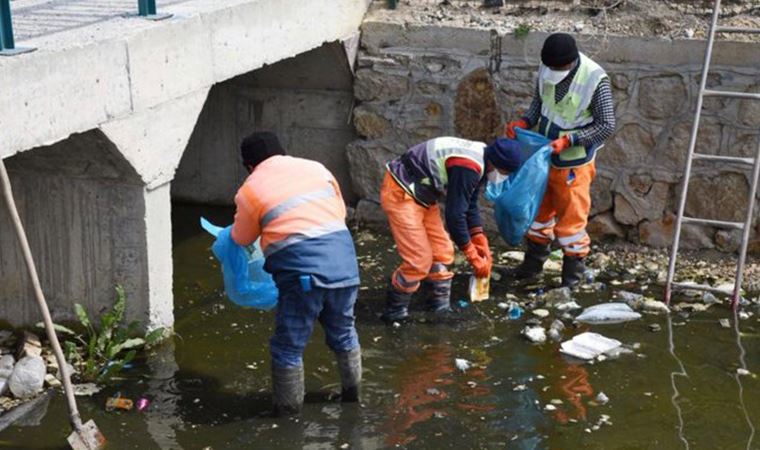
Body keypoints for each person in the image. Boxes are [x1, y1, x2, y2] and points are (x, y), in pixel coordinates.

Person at [230, 132, 361, 415]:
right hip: (346, 265)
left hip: (303, 274)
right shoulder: (317, 168)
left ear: (249, 165)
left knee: (287, 347)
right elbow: (339, 213)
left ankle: (287, 419)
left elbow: (241, 238)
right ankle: (353, 397)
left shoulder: (250, 189)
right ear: (282, 151)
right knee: (344, 332)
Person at [504, 33, 616, 287]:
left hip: (573, 163)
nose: (553, 71)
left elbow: (606, 126)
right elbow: (539, 104)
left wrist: (570, 140)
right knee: (539, 213)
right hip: (544, 156)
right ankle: (532, 267)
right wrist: (524, 121)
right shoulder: (547, 67)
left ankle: (571, 278)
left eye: (558, 68)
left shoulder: (595, 79)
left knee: (571, 220)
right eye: (551, 67)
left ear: (571, 62)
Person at [380, 136, 524, 322]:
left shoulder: (483, 159)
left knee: (442, 251)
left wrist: (479, 237)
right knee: (418, 261)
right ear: (497, 164)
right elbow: (455, 217)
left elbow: (469, 204)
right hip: (402, 191)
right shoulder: (469, 166)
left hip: (424, 193)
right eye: (505, 172)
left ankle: (439, 307)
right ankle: (395, 312)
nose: (504, 176)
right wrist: (471, 254)